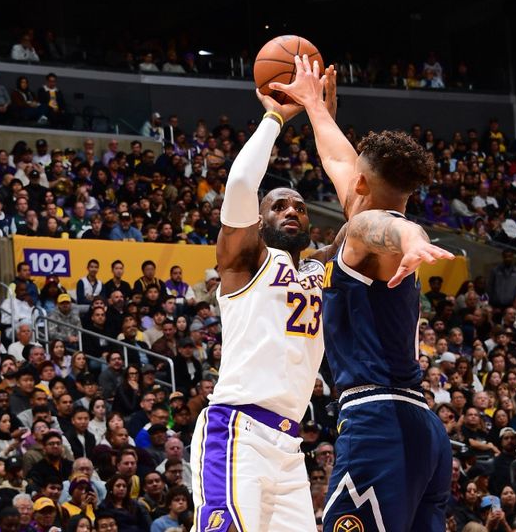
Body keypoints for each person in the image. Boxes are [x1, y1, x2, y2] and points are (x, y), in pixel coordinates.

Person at [272, 55, 455, 532]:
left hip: (378, 421)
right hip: (419, 428)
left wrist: (413, 240)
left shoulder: (366, 227)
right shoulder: (363, 200)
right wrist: (314, 105)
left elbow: (381, 228)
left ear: (361, 180)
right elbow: (335, 157)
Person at [190, 93, 326, 532]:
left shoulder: (317, 269)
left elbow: (362, 216)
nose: (291, 211)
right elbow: (241, 185)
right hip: (237, 430)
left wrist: (322, 116)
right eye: (279, 205)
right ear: (259, 219)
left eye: (300, 208)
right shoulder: (246, 260)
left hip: (289, 445)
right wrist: (275, 117)